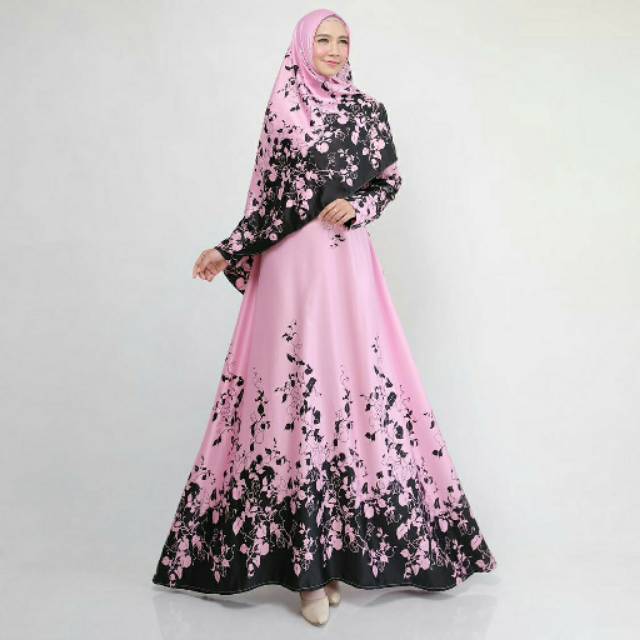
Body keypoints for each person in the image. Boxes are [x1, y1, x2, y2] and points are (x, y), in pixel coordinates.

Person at [151, 8, 497, 627]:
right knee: (294, 395)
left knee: (348, 391)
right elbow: (266, 201)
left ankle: (334, 561)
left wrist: (358, 207)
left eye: (343, 41)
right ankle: (306, 574)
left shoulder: (367, 110)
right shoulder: (283, 111)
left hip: (345, 265)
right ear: (302, 47)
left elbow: (388, 181)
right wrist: (227, 249)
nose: (334, 50)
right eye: (323, 40)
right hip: (290, 267)